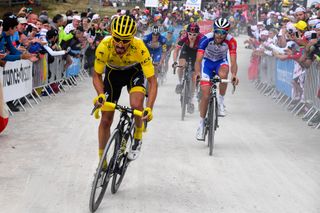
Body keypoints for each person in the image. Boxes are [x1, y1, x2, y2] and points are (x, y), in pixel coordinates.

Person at [93, 15, 157, 161]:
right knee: (105, 120)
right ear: (112, 34)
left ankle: (137, 136)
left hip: (133, 71)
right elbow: (96, 75)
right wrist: (101, 94)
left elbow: (152, 81)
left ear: (132, 38)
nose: (121, 44)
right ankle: (102, 161)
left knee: (136, 105)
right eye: (117, 39)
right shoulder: (104, 46)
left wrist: (150, 108)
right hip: (112, 74)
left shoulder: (140, 47)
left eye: (126, 40)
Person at [194, 18, 239, 141]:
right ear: (214, 30)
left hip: (220, 63)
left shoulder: (231, 41)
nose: (220, 35)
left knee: (224, 74)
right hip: (207, 64)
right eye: (218, 32)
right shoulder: (205, 39)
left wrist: (234, 74)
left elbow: (234, 61)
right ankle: (201, 124)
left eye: (223, 32)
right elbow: (198, 60)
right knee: (205, 95)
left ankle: (221, 101)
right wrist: (198, 73)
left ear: (227, 33)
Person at [172, 23, 204, 114]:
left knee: (194, 77)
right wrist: (175, 62)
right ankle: (181, 82)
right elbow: (176, 51)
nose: (192, 36)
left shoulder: (202, 39)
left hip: (196, 53)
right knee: (181, 66)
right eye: (190, 34)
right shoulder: (184, 38)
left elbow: (205, 53)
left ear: (198, 34)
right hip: (186, 50)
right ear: (187, 33)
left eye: (194, 35)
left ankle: (190, 100)